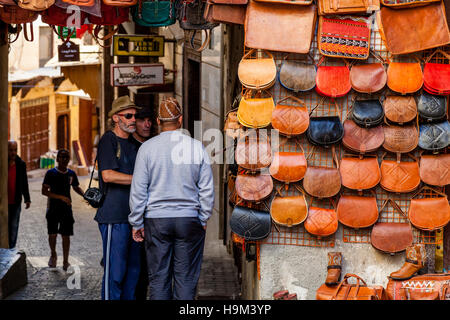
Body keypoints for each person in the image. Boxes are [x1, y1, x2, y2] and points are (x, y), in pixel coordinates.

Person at [129, 97, 215, 300]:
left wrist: (136, 222)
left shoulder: (147, 149)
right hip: (189, 219)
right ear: (181, 119)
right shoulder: (196, 147)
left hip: (156, 221)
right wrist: (203, 217)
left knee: (159, 279)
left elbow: (139, 189)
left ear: (158, 121)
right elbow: (206, 189)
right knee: (185, 279)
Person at [94, 95, 141, 300]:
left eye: (135, 116)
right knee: (115, 272)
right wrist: (139, 179)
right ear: (115, 118)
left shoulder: (136, 144)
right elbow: (107, 175)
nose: (133, 120)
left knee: (133, 272)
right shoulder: (108, 140)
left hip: (136, 218)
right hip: (114, 216)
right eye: (128, 115)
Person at [42, 149, 84, 271]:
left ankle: (65, 260)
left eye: (66, 157)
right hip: (53, 208)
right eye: (62, 157)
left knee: (66, 236)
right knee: (53, 234)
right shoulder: (50, 173)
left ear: (68, 159)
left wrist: (85, 195)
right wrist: (61, 197)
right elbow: (44, 191)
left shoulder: (71, 174)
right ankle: (53, 254)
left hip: (67, 210)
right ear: (57, 159)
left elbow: (76, 187)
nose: (64, 160)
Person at [128, 107, 153, 300]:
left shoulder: (154, 145)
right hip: (132, 215)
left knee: (147, 266)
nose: (147, 124)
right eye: (141, 120)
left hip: (153, 216)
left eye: (149, 120)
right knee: (132, 264)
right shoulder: (129, 147)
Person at [7, 140, 31, 249]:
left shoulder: (21, 164)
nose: (13, 153)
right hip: (3, 202)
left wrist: (27, 198)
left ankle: (11, 249)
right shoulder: (3, 163)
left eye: (15, 150)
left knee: (14, 226)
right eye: (11, 150)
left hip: (15, 201)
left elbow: (24, 182)